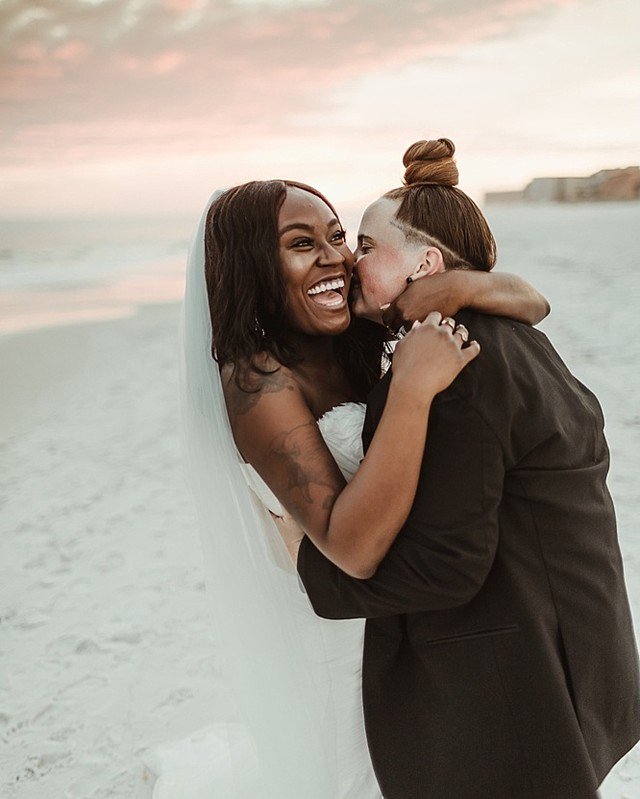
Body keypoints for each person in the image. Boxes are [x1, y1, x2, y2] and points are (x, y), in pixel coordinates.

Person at [158, 175, 549, 799]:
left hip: (413, 605)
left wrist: (459, 284)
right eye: (300, 243)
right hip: (339, 631)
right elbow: (351, 546)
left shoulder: (358, 334)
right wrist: (414, 391)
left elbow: (530, 301)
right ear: (252, 266)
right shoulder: (258, 382)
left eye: (338, 236)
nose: (335, 258)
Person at [296, 139, 640, 798]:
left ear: (425, 262)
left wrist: (309, 566)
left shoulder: (459, 365)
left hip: (515, 686)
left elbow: (447, 565)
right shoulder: (513, 333)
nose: (348, 257)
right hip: (583, 657)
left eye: (366, 245)